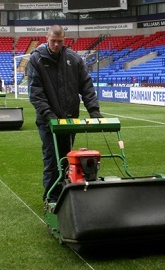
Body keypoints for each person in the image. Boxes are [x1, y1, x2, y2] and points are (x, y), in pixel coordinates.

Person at [27, 24, 102, 201]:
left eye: (59, 41)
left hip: (69, 121)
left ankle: (65, 193)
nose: (56, 45)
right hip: (48, 122)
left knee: (67, 158)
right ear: (47, 39)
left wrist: (94, 110)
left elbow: (86, 86)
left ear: (64, 40)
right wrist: (48, 115)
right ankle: (51, 198)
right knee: (52, 160)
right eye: (53, 41)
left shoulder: (74, 59)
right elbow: (35, 92)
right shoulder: (36, 60)